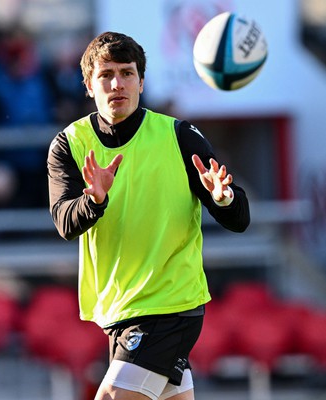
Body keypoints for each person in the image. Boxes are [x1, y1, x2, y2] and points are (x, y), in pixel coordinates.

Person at [47, 31, 250, 400]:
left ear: (142, 81)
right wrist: (93, 200)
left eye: (126, 73)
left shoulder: (179, 135)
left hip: (169, 304)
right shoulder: (69, 143)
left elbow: (239, 218)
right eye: (105, 74)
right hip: (118, 310)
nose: (117, 83)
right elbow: (64, 222)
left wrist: (222, 198)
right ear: (89, 86)